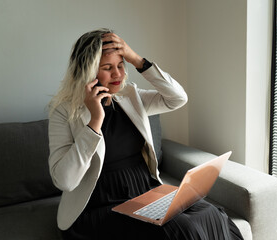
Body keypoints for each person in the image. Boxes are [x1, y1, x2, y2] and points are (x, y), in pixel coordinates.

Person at [48, 28, 244, 240]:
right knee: (182, 229)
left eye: (121, 65)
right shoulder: (64, 112)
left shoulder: (129, 97)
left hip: (145, 192)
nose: (118, 74)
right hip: (100, 206)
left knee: (211, 214)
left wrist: (136, 59)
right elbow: (65, 181)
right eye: (107, 67)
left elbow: (177, 98)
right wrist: (95, 121)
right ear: (88, 72)